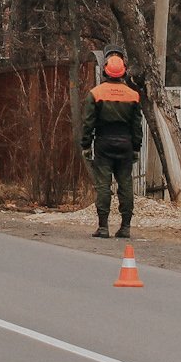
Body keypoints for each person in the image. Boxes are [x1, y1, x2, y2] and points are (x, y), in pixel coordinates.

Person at [79, 46, 142, 239]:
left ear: (105, 69)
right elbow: (137, 126)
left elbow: (88, 123)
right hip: (125, 143)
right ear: (124, 70)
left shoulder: (95, 93)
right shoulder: (133, 95)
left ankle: (103, 227)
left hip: (104, 143)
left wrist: (85, 146)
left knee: (103, 185)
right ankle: (125, 227)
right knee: (125, 185)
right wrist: (136, 148)